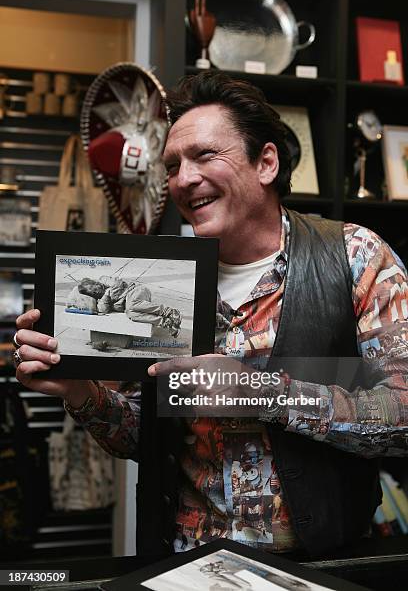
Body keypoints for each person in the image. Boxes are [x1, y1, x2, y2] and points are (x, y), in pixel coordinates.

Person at [13, 72, 408, 560]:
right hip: (185, 562)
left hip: (320, 566)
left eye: (204, 156)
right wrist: (81, 392)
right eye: (173, 165)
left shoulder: (354, 258)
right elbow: (143, 437)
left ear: (265, 162)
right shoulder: (161, 277)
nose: (183, 179)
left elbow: (402, 417)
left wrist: (257, 392)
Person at [66, 276, 182, 337]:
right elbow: (103, 309)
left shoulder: (104, 279)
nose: (97, 291)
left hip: (137, 291)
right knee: (131, 314)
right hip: (132, 306)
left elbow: (118, 283)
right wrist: (107, 295)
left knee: (131, 306)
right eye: (93, 293)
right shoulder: (100, 300)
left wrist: (108, 295)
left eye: (94, 288)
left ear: (94, 283)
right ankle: (167, 323)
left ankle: (169, 312)